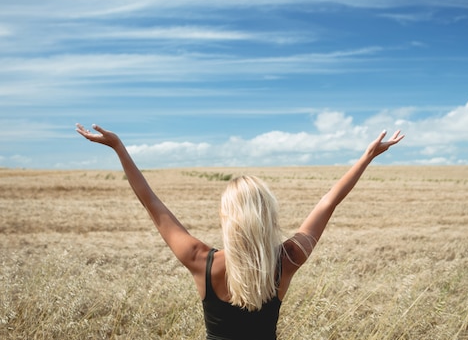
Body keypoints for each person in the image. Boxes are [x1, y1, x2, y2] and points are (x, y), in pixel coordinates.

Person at [76, 123, 404, 340]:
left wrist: (119, 147)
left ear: (226, 217)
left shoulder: (200, 260)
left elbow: (151, 203)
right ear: (267, 216)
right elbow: (328, 203)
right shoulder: (286, 260)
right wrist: (367, 157)